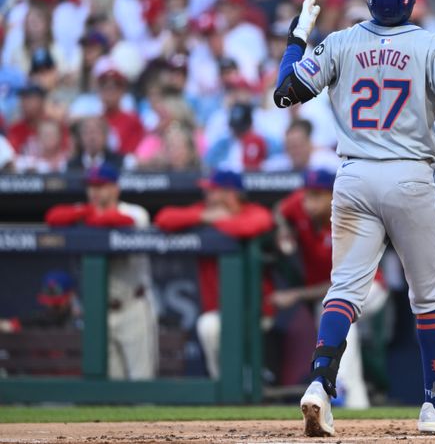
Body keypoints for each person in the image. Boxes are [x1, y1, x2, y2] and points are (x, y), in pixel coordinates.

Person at [273, 0, 435, 436]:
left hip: (354, 175)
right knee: (429, 299)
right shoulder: (426, 44)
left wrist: (296, 39)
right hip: (408, 176)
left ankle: (319, 383)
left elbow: (284, 93)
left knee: (344, 291)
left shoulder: (339, 42)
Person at [274, 169, 388, 409]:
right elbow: (279, 210)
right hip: (333, 296)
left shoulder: (348, 219)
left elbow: (345, 283)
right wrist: (284, 228)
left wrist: (296, 294)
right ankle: (355, 403)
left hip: (369, 286)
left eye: (316, 196)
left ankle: (338, 388)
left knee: (341, 312)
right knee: (341, 321)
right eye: (307, 196)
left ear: (333, 196)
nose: (308, 203)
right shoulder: (299, 206)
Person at [153, 169, 274, 379]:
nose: (207, 196)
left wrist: (219, 221)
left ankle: (247, 379)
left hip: (254, 311)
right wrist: (204, 217)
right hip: (219, 310)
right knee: (209, 327)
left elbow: (252, 225)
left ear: (230, 194)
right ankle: (225, 387)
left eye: (213, 191)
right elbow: (164, 219)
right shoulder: (203, 212)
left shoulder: (252, 211)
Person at [44, 163, 157, 380]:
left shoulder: (134, 212)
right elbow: (53, 217)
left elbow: (120, 221)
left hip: (133, 306)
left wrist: (86, 216)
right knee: (109, 389)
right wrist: (86, 212)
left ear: (115, 188)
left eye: (101, 186)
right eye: (91, 186)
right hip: (97, 312)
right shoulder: (82, 210)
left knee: (142, 384)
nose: (94, 191)